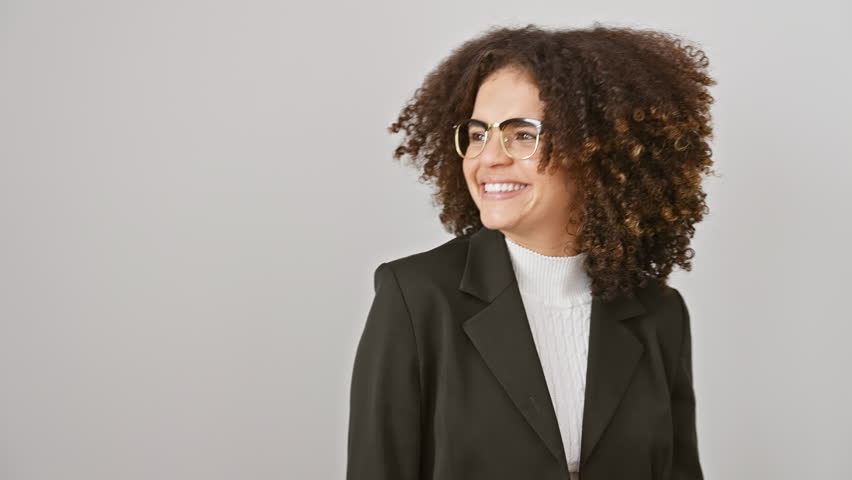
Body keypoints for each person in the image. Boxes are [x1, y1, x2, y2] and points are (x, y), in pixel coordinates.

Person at [346, 23, 715, 480]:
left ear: (599, 150)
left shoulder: (660, 313)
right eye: (478, 134)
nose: (489, 157)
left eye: (523, 134)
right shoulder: (417, 298)